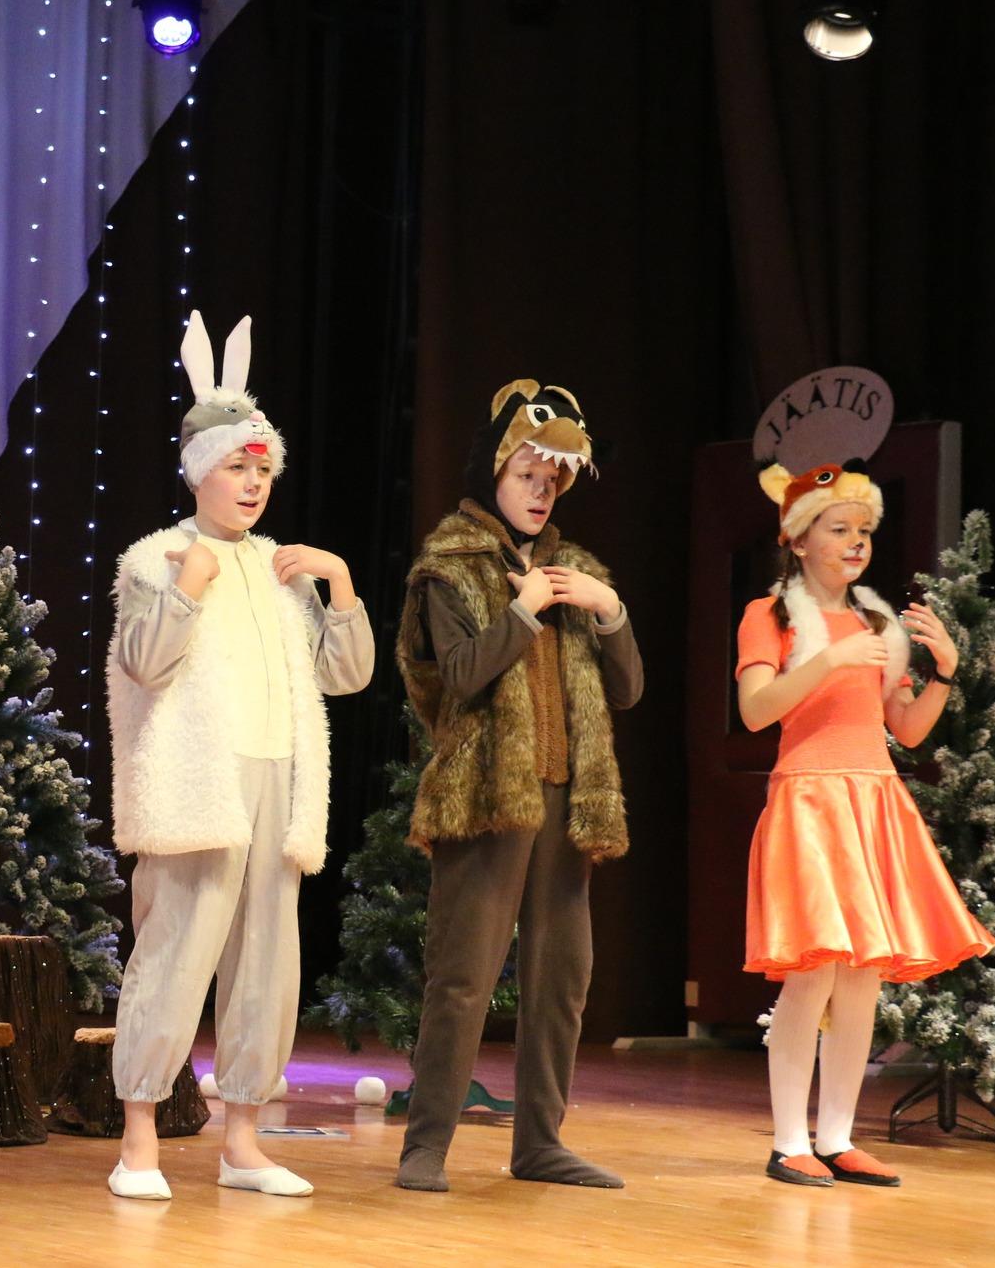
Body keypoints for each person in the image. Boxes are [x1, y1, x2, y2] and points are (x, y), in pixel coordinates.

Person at [104, 312, 375, 1201]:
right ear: (198, 470)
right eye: (237, 466)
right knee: (175, 954)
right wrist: (187, 585)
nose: (253, 483)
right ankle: (138, 1138)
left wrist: (339, 584)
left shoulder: (281, 566)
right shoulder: (158, 556)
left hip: (277, 784)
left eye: (263, 470)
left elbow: (344, 675)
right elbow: (143, 663)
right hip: (200, 786)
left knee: (267, 963)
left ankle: (244, 1140)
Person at [394, 380, 642, 1194]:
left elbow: (628, 688)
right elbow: (459, 676)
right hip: (486, 796)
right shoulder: (451, 565)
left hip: (566, 799)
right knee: (462, 977)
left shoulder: (576, 572)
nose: (540, 492)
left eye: (552, 481)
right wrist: (523, 611)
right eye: (527, 476)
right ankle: (426, 1146)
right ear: (495, 471)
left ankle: (540, 1143)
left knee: (562, 979)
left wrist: (609, 610)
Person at [736, 460, 995, 1188]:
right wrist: (829, 659)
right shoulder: (771, 615)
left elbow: (905, 728)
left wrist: (944, 671)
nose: (856, 542)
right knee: (813, 973)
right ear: (798, 539)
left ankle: (837, 1137)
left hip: (873, 802)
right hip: (812, 802)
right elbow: (756, 711)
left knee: (861, 979)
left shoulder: (876, 623)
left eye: (864, 531)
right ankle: (789, 1141)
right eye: (839, 528)